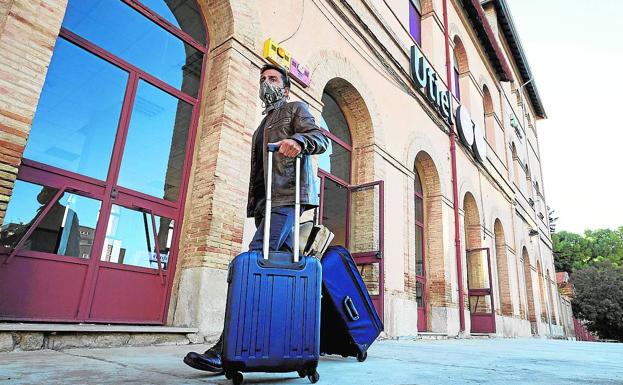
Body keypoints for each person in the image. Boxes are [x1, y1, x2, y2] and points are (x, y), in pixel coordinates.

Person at [183, 64, 329, 373]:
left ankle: (225, 350)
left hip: (287, 198)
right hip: (269, 204)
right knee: (284, 275)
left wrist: (300, 142)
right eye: (262, 78)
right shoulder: (263, 124)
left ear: (286, 87)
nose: (266, 82)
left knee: (253, 266)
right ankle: (283, 345)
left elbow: (320, 138)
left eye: (273, 78)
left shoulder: (294, 108)